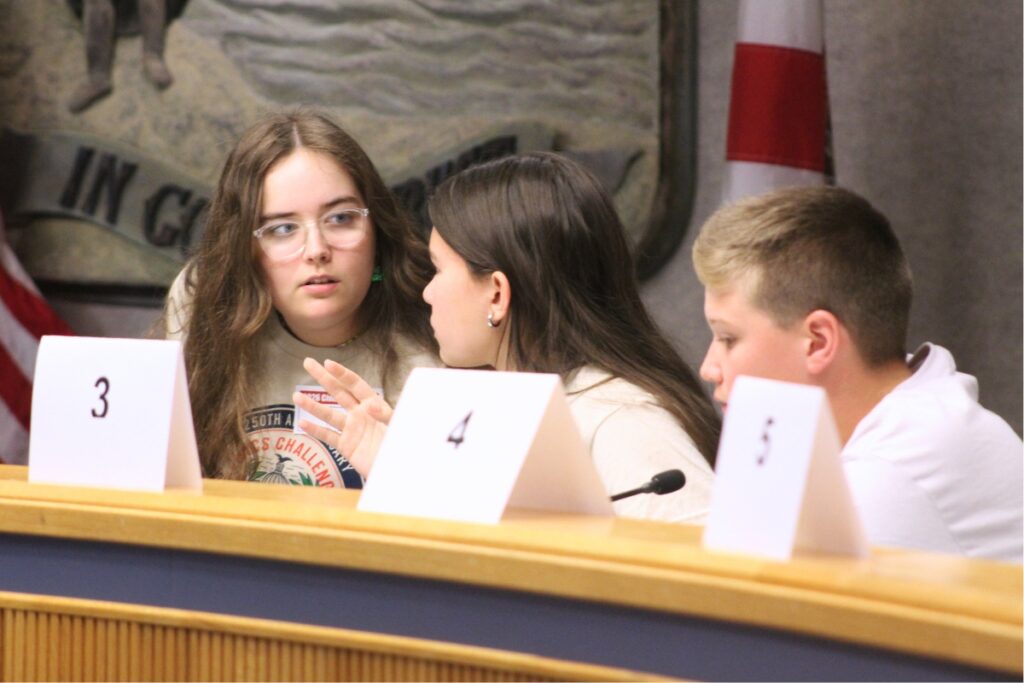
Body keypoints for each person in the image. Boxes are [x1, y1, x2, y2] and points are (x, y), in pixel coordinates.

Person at [296, 152, 721, 524]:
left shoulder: (623, 420)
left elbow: (706, 588)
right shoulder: (509, 406)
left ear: (496, 294)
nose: (427, 292)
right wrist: (404, 471)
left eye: (439, 269)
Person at [692, 185, 1022, 561]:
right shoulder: (913, 410)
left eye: (727, 338)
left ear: (817, 341)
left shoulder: (891, 473)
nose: (709, 368)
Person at [162, 110, 438, 486]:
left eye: (341, 218)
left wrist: (404, 476)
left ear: (376, 231)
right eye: (282, 228)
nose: (316, 250)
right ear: (245, 249)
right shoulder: (205, 300)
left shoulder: (437, 326)